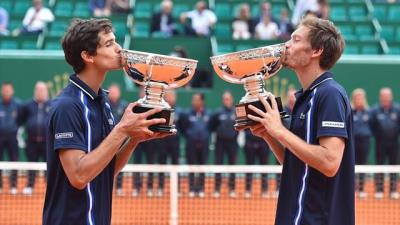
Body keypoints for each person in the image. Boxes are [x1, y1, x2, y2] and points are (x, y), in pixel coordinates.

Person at [42, 18, 169, 224]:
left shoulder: (102, 102)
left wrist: (133, 138)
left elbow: (106, 170)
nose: (119, 49)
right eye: (109, 44)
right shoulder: (68, 106)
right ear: (88, 56)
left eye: (116, 41)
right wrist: (121, 130)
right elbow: (79, 176)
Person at [247, 17, 354, 224]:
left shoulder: (329, 93)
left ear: (316, 51)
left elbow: (330, 162)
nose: (286, 44)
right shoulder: (305, 97)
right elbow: (297, 163)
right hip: (296, 215)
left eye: (295, 40)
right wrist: (270, 135)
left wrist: (280, 131)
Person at [18, 81, 51, 195]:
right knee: (31, 164)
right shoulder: (27, 106)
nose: (40, 92)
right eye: (38, 90)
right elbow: (20, 121)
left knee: (49, 165)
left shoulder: (52, 104)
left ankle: (49, 188)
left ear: (46, 92)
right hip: (31, 142)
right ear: (35, 91)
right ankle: (30, 186)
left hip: (47, 142)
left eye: (43, 90)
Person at [369, 87, 400, 199]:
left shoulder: (397, 109)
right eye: (384, 96)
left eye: (388, 96)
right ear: (380, 97)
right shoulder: (374, 110)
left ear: (391, 97)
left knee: (394, 167)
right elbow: (370, 126)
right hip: (380, 144)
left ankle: (393, 190)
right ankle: (379, 190)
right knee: (379, 167)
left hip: (394, 144)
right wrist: (377, 135)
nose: (386, 98)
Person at [209, 91, 238, 198]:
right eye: (225, 99)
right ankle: (217, 188)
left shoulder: (236, 112)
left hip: (232, 143)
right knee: (218, 165)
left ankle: (232, 189)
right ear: (223, 100)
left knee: (232, 166)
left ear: (232, 99)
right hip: (220, 143)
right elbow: (211, 126)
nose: (227, 101)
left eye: (228, 99)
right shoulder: (217, 113)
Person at [181, 92, 210, 198]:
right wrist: (190, 136)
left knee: (202, 166)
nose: (194, 102)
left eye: (196, 99)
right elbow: (183, 128)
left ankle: (201, 189)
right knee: (191, 166)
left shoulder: (208, 114)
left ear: (202, 101)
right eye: (193, 99)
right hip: (191, 144)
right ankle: (192, 188)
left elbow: (211, 127)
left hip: (204, 144)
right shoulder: (187, 114)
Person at [157, 90, 183, 196]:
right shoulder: (160, 110)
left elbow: (183, 127)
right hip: (162, 142)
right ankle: (160, 187)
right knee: (161, 165)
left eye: (172, 96)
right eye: (168, 96)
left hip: (174, 143)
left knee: (175, 165)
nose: (170, 98)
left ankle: (177, 189)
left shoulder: (180, 112)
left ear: (175, 98)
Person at [107, 83, 128, 196]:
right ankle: (106, 187)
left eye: (115, 91)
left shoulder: (124, 105)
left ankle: (119, 187)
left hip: (121, 141)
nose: (114, 94)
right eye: (111, 91)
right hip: (106, 140)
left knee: (119, 163)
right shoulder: (104, 105)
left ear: (119, 93)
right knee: (104, 163)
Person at [351, 88, 372, 199]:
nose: (359, 99)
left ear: (364, 99)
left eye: (361, 97)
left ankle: (362, 188)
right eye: (357, 97)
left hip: (365, 142)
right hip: (352, 142)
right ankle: (353, 189)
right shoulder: (349, 111)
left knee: (363, 164)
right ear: (353, 99)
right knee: (352, 165)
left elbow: (374, 126)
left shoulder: (369, 112)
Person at [0, 82, 20, 195]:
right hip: (0, 137)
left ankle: (13, 185)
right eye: (4, 90)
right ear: (2, 91)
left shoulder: (18, 105)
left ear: (12, 91)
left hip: (13, 137)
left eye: (8, 90)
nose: (6, 92)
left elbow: (21, 119)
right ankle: (0, 186)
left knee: (14, 160)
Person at [243, 129, 271, 198]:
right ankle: (248, 190)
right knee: (249, 168)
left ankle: (264, 190)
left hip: (264, 142)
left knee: (264, 168)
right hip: (249, 142)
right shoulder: (248, 117)